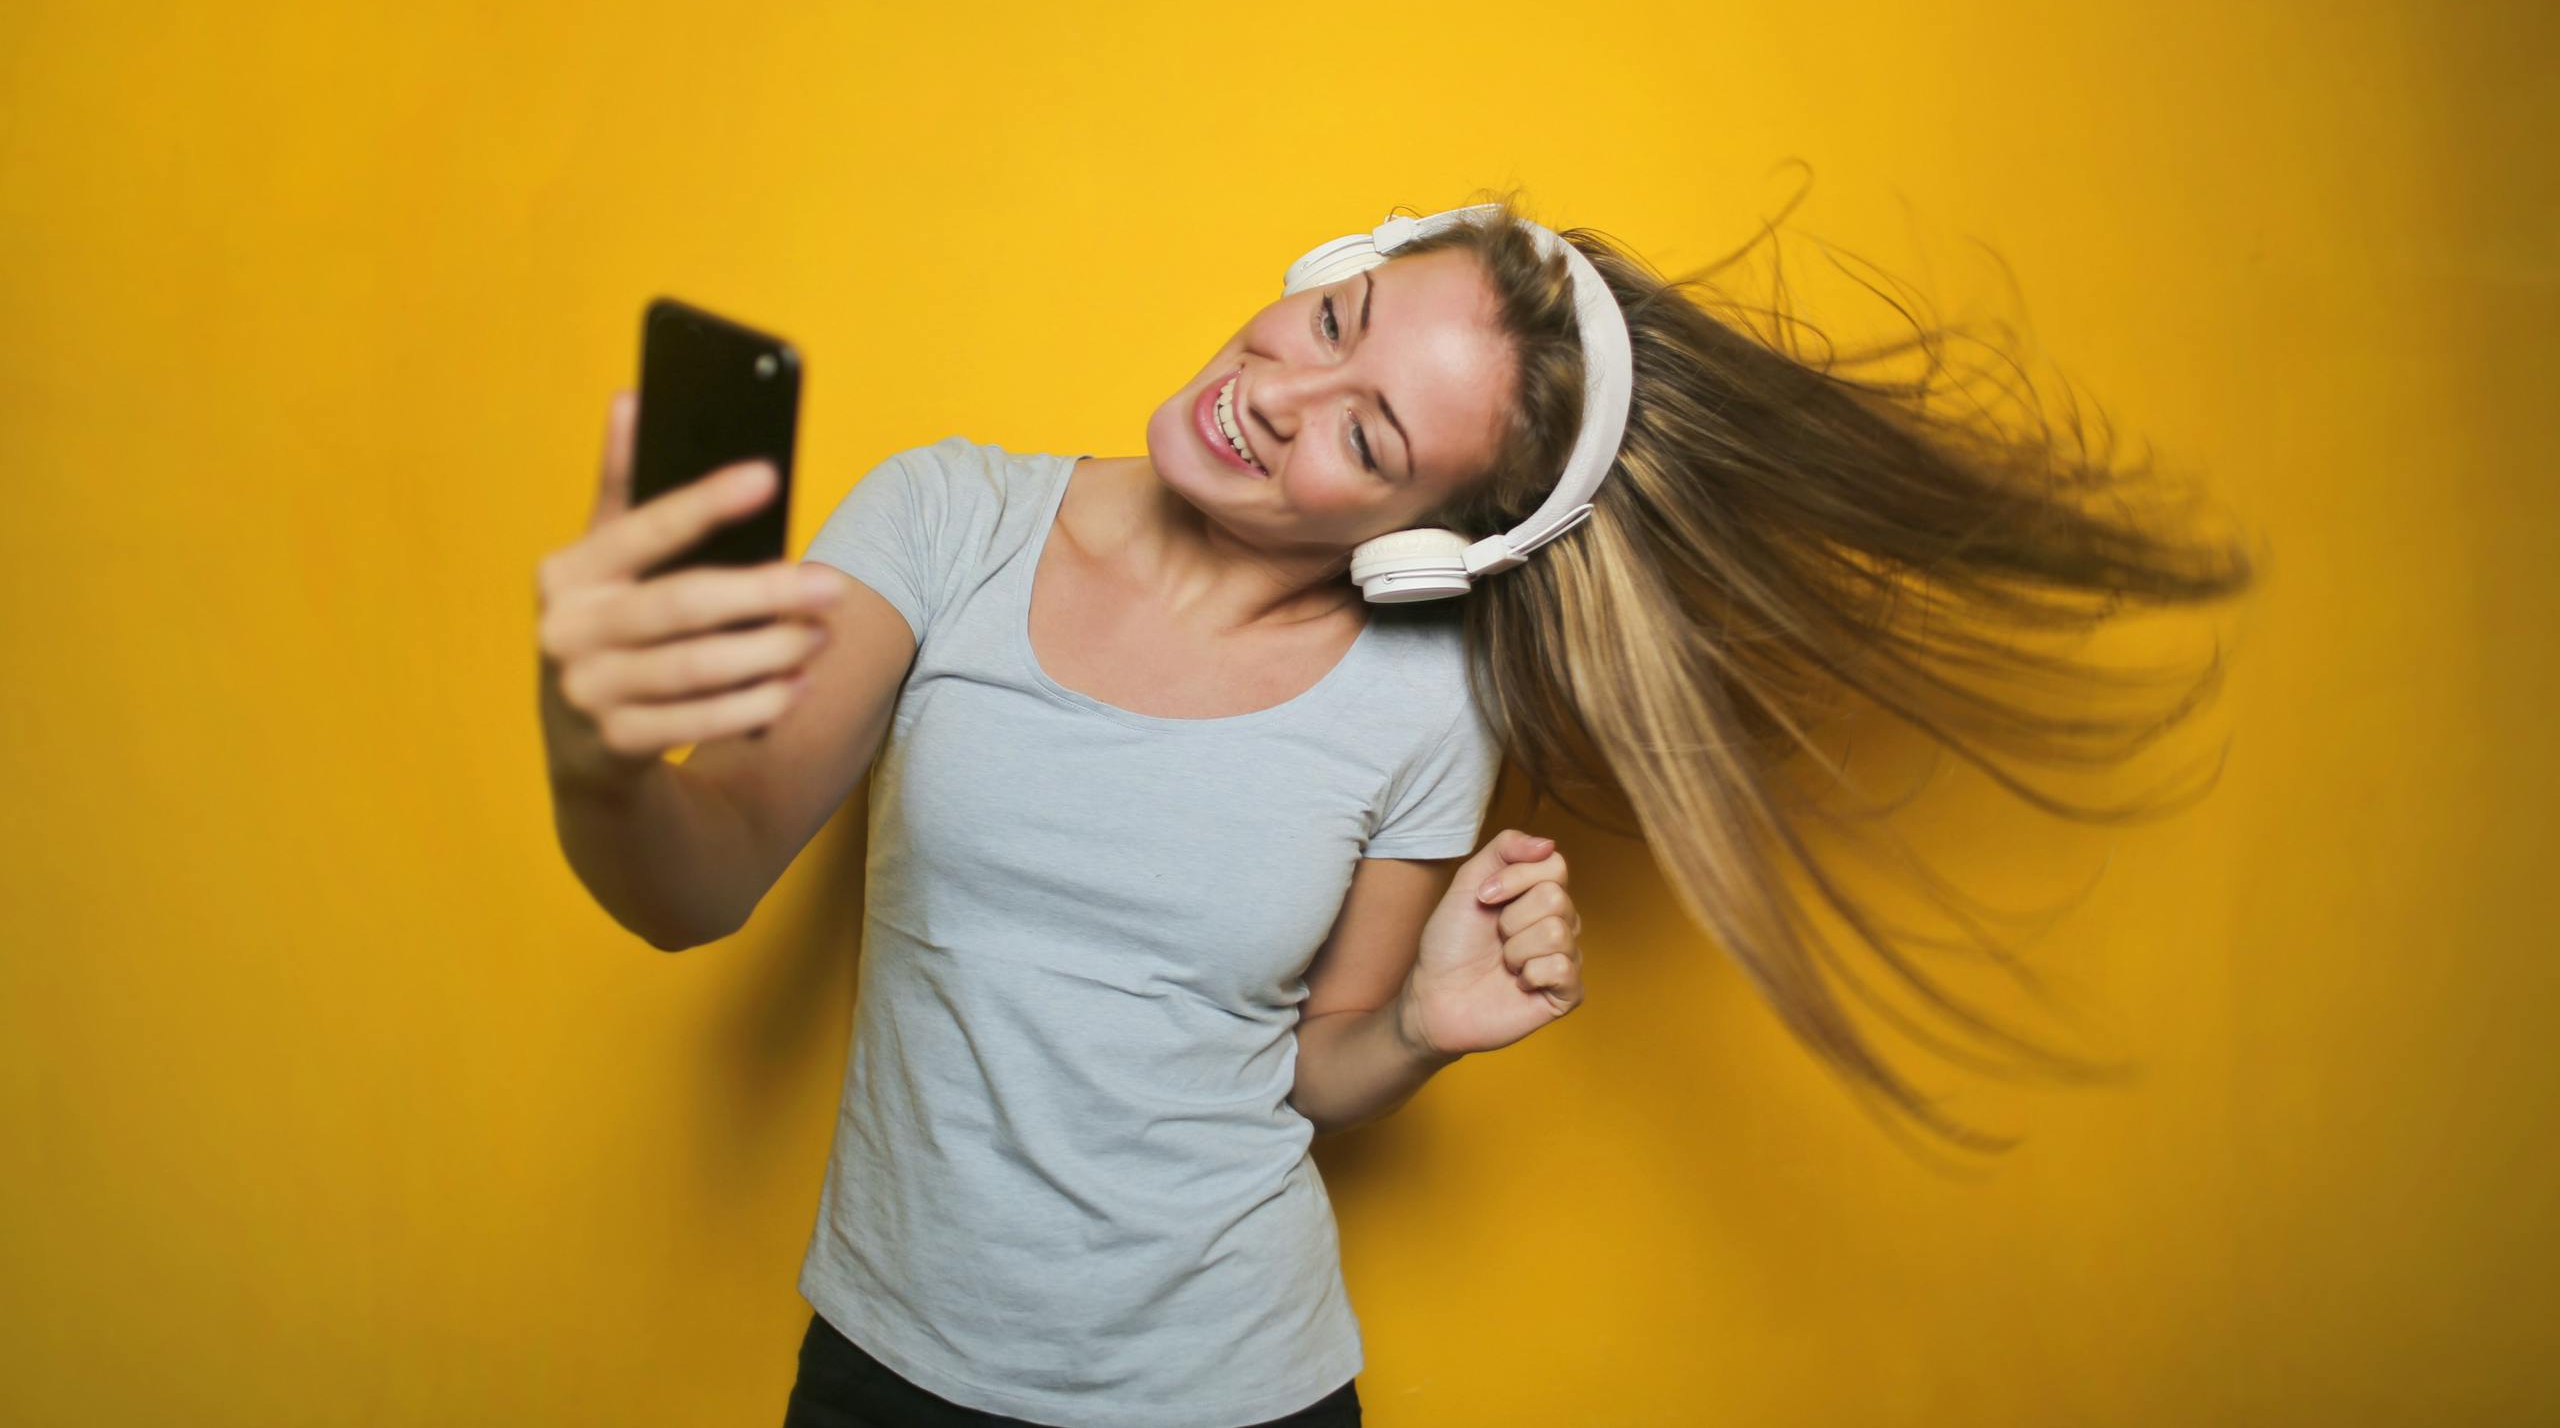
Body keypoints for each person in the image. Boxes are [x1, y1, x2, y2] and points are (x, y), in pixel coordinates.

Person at [536, 188, 2257, 1426]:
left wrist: (1422, 1028)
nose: (1279, 391)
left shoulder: (1424, 701)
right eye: (1337, 319)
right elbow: (697, 886)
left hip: (1238, 1392)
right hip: (889, 1372)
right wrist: (599, 743)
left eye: (1367, 441)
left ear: (1425, 544)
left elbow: (1310, 1064)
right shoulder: (946, 519)